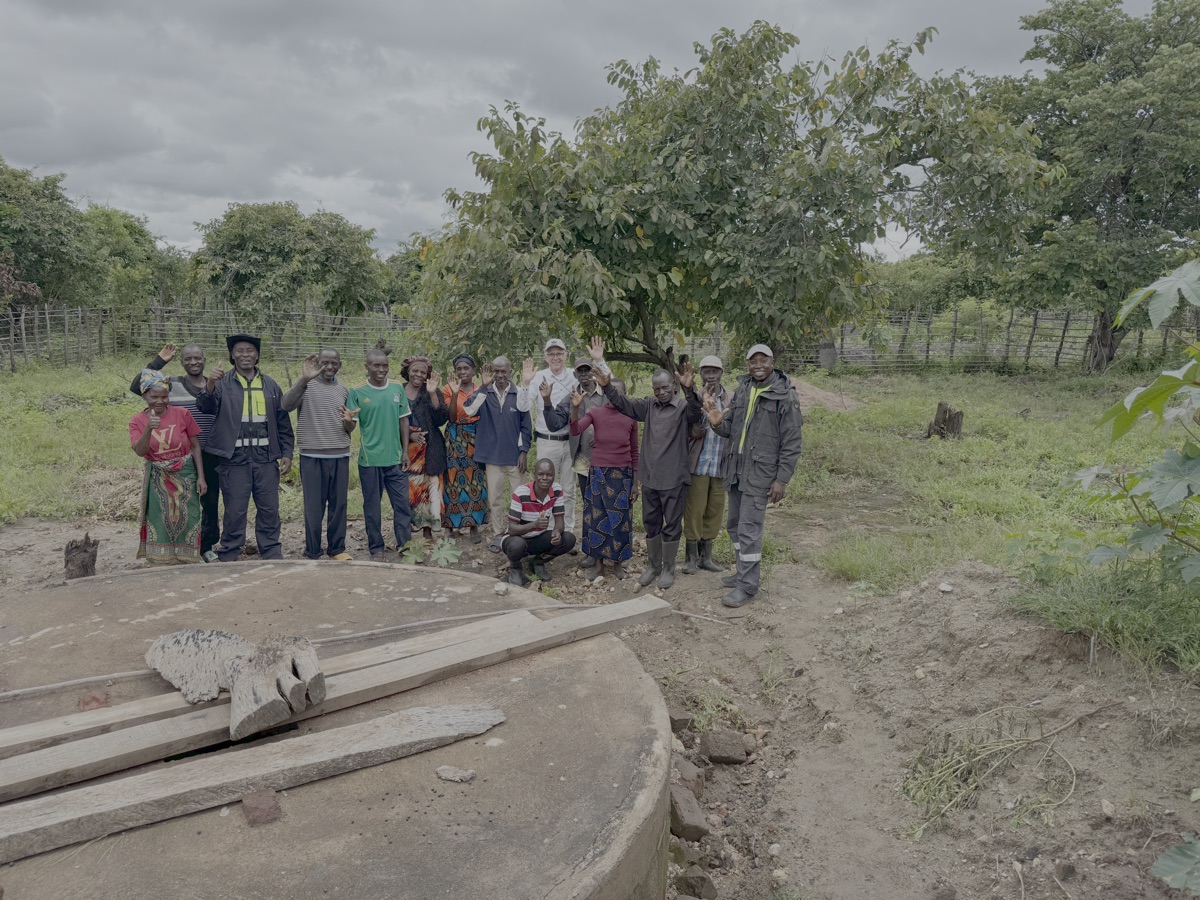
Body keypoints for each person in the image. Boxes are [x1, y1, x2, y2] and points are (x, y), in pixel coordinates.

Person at [590, 337, 702, 589]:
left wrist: (690, 389)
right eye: (656, 389)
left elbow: (697, 414)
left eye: (665, 387)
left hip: (673, 478)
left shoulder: (683, 406)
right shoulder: (649, 406)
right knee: (651, 522)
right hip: (650, 478)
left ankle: (668, 569)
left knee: (672, 524)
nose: (661, 392)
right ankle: (653, 565)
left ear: (673, 385)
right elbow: (623, 404)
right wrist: (608, 386)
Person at [703, 344, 803, 608]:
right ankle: (741, 572)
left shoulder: (785, 396)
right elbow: (731, 430)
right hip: (736, 470)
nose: (758, 365)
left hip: (761, 475)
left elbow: (792, 441)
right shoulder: (744, 390)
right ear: (747, 364)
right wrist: (716, 424)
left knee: (749, 529)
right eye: (753, 361)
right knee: (735, 526)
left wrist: (782, 479)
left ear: (773, 362)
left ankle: (747, 587)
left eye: (763, 360)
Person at [197, 334, 294, 562]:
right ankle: (229, 553)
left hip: (265, 460)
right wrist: (210, 384)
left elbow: (283, 422)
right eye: (239, 351)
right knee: (235, 511)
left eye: (250, 351)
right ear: (232, 355)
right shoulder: (222, 383)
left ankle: (271, 551)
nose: (245, 355)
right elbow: (206, 407)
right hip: (234, 461)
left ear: (257, 355)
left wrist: (287, 453)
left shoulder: (270, 385)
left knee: (270, 510)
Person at [130, 342, 221, 556]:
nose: (193, 362)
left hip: (212, 450)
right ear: (181, 362)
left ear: (204, 360)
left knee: (209, 501)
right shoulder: (172, 384)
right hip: (183, 453)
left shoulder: (214, 383)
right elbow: (139, 385)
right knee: (179, 502)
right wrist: (158, 362)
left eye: (197, 358)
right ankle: (173, 547)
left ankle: (205, 546)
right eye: (188, 359)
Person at [561, 378, 639, 581]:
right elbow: (576, 430)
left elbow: (635, 452)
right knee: (596, 518)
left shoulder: (631, 417)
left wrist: (635, 483)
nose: (614, 395)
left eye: (618, 392)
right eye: (610, 391)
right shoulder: (595, 413)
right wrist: (576, 408)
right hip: (598, 474)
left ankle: (618, 563)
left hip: (622, 476)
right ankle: (598, 564)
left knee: (620, 520)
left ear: (624, 394)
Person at [281, 349, 355, 561]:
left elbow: (350, 427)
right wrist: (304, 379)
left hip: (340, 455)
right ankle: (313, 550)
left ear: (340, 365)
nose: (329, 367)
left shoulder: (343, 390)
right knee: (314, 506)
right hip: (312, 455)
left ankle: (337, 549)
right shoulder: (306, 385)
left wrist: (348, 421)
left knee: (339, 504)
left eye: (334, 363)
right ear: (317, 363)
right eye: (325, 363)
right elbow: (285, 405)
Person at [347, 349, 412, 562]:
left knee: (402, 505)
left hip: (395, 459)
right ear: (367, 366)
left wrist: (405, 451)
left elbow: (404, 421)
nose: (381, 369)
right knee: (372, 506)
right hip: (370, 461)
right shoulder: (356, 392)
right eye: (376, 365)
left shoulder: (396, 389)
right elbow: (350, 428)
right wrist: (347, 419)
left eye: (384, 365)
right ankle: (376, 548)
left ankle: (406, 546)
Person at [461, 356, 531, 553]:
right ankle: (499, 534)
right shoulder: (485, 393)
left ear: (511, 372)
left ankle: (518, 533)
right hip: (492, 457)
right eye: (496, 371)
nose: (500, 375)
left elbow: (526, 425)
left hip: (515, 457)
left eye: (504, 371)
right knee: (495, 498)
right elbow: (468, 409)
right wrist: (482, 387)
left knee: (520, 498)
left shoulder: (519, 394)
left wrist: (524, 451)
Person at [518, 338, 579, 536]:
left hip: (569, 440)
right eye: (551, 354)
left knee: (568, 489)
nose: (555, 358)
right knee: (546, 487)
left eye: (559, 353)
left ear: (565, 355)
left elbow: (603, 379)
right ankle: (548, 529)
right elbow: (523, 407)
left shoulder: (574, 375)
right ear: (545, 357)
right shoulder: (538, 377)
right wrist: (525, 383)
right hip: (547, 440)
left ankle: (567, 530)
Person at [682, 355, 730, 575]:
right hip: (699, 463)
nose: (711, 375)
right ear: (700, 374)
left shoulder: (730, 398)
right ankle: (690, 558)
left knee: (715, 510)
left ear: (721, 373)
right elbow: (688, 426)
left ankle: (706, 557)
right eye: (706, 371)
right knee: (695, 510)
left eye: (715, 371)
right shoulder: (694, 397)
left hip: (721, 464)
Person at [503, 459, 576, 586]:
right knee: (516, 546)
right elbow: (512, 529)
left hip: (538, 538)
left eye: (549, 475)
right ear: (534, 475)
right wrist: (534, 525)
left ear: (554, 476)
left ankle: (538, 561)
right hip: (517, 538)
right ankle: (515, 566)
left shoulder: (557, 490)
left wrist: (557, 532)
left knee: (569, 539)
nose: (545, 478)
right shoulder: (521, 493)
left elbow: (560, 522)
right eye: (541, 474)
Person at [441, 353, 489, 543]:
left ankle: (474, 525)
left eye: (466, 368)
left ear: (473, 370)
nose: (462, 372)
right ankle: (451, 526)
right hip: (454, 436)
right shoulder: (447, 389)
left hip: (476, 437)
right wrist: (454, 393)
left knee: (475, 479)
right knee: (452, 479)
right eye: (459, 369)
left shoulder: (481, 389)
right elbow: (451, 417)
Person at [400, 356, 447, 542]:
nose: (418, 374)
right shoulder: (398, 391)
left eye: (423, 372)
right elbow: (393, 419)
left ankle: (428, 530)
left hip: (431, 447)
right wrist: (410, 435)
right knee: (411, 489)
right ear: (407, 371)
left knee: (431, 487)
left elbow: (441, 419)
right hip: (407, 449)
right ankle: (412, 525)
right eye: (415, 370)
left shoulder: (431, 392)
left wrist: (434, 394)